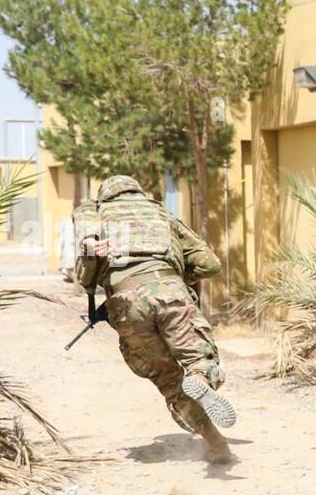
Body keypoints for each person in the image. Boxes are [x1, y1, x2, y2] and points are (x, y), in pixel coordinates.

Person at [73, 176, 236, 462]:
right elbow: (210, 264)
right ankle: (198, 378)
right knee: (200, 361)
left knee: (170, 380)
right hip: (169, 290)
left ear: (105, 196)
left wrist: (93, 265)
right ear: (137, 191)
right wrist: (175, 276)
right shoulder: (160, 212)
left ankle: (216, 445)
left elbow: (86, 273)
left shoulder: (94, 212)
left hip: (124, 304)